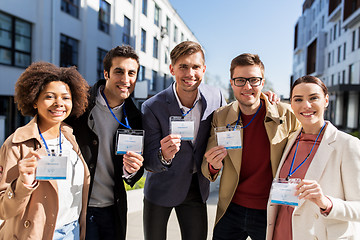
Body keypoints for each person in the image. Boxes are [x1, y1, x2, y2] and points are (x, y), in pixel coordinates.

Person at [202, 53, 300, 240]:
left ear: (263, 82)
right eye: (240, 80)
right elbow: (208, 169)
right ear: (232, 83)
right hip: (231, 208)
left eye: (254, 80)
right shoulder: (220, 116)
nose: (247, 87)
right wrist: (213, 165)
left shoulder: (286, 114)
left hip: (270, 209)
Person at [141, 41, 227, 240]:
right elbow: (149, 161)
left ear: (203, 69)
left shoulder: (216, 96)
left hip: (197, 188)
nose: (190, 73)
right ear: (172, 69)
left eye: (196, 67)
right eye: (183, 67)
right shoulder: (152, 106)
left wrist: (264, 100)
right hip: (161, 189)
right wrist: (163, 155)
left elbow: (235, 117)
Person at [0, 62, 90, 239]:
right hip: (36, 234)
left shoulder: (70, 138)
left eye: (65, 97)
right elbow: (3, 209)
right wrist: (23, 184)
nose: (59, 103)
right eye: (50, 96)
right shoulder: (16, 144)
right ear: (34, 101)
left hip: (72, 231)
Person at [266, 75, 360, 240]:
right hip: (280, 233)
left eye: (313, 98)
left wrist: (326, 203)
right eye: (298, 99)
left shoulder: (347, 144)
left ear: (326, 100)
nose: (306, 105)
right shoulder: (289, 141)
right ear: (292, 104)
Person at [66, 45, 144, 240]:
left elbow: (134, 173)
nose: (126, 79)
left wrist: (132, 169)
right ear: (106, 73)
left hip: (113, 209)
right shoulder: (79, 105)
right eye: (119, 71)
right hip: (78, 207)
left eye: (131, 73)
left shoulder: (136, 118)